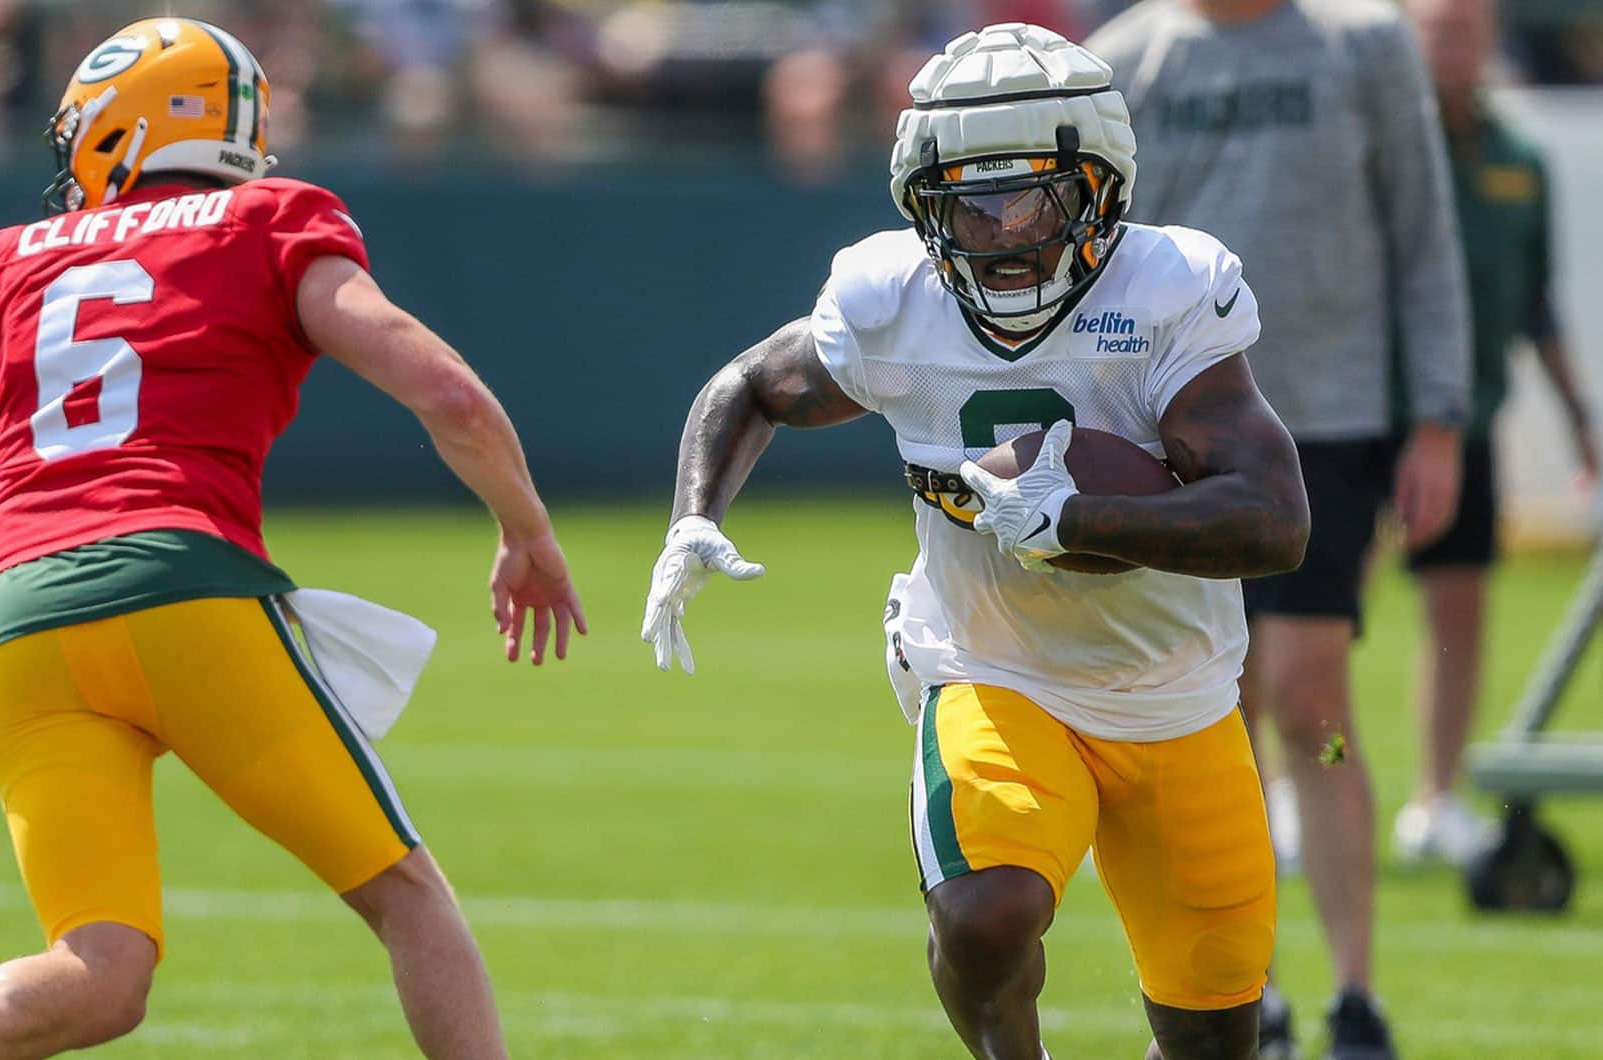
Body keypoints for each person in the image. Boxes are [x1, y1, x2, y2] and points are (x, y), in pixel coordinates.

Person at [0, 18, 585, 1060]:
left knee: (101, 971)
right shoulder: (270, 220)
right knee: (405, 894)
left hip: (19, 627)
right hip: (183, 590)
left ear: (110, 128)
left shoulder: (2, 261)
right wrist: (525, 528)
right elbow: (445, 390)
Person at [641, 23, 1308, 1060]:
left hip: (1176, 688)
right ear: (921, 203)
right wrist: (694, 514)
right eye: (967, 201)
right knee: (983, 913)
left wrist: (1078, 520)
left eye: (1027, 196)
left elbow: (1275, 519)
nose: (997, 230)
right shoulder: (890, 297)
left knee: (1216, 1032)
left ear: (1099, 187)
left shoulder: (1168, 290)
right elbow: (752, 385)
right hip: (991, 666)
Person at [1086, 2, 1473, 1055]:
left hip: (1328, 426)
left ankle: (1357, 994)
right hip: (1175, 431)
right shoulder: (1125, 58)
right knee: (1221, 711)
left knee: (1315, 702)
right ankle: (1244, 992)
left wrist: (1439, 414)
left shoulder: (1365, 43)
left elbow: (1422, 229)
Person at [1392, 0, 1598, 866]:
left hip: (1467, 416)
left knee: (1460, 608)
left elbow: (1536, 300)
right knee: (1316, 620)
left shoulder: (1518, 159)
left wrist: (1578, 414)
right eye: (1439, 27)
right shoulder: (1386, 149)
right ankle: (1293, 789)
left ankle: (1434, 799)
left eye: (1467, 28)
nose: (1453, 44)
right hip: (1364, 418)